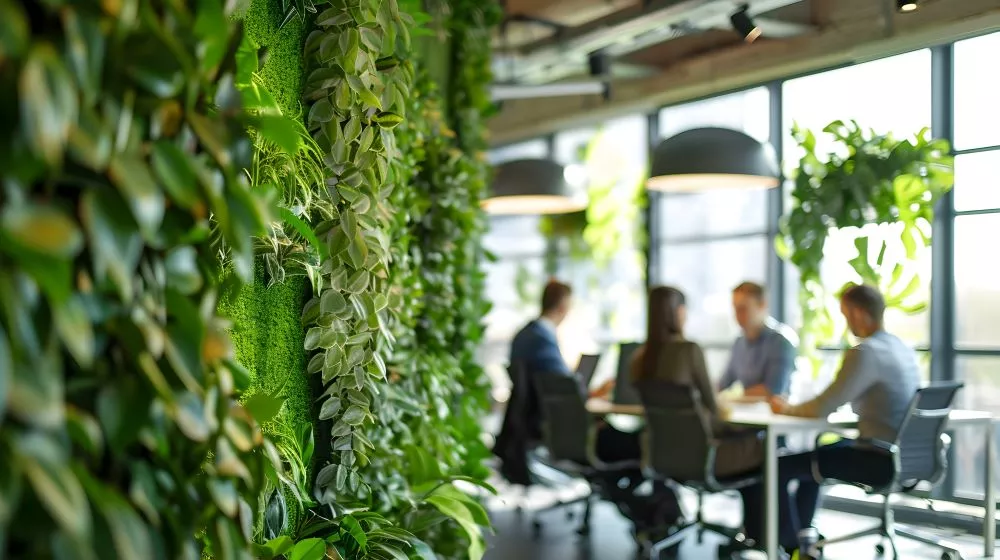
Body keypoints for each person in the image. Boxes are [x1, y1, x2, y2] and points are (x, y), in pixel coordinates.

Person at [743, 284, 920, 552]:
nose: (846, 323)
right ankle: (803, 536)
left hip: (875, 458)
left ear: (858, 313)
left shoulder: (865, 352)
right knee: (819, 454)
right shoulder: (903, 349)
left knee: (778, 466)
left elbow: (822, 407)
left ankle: (790, 548)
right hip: (904, 455)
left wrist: (785, 409)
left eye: (846, 314)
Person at [630, 286, 763, 542]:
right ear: (679, 313)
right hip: (705, 456)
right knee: (766, 448)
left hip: (663, 455)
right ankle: (760, 538)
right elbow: (713, 408)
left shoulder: (639, 359)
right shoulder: (689, 350)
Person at [507, 280, 630, 462]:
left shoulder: (526, 333)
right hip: (555, 423)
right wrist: (594, 393)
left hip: (537, 417)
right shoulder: (541, 338)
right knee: (621, 439)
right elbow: (564, 386)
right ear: (564, 305)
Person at [718, 282, 797, 398]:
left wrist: (734, 397)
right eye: (735, 308)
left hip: (773, 413)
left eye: (743, 308)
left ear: (762, 305)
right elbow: (723, 384)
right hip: (746, 412)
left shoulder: (780, 343)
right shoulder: (739, 344)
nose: (737, 315)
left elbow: (773, 390)